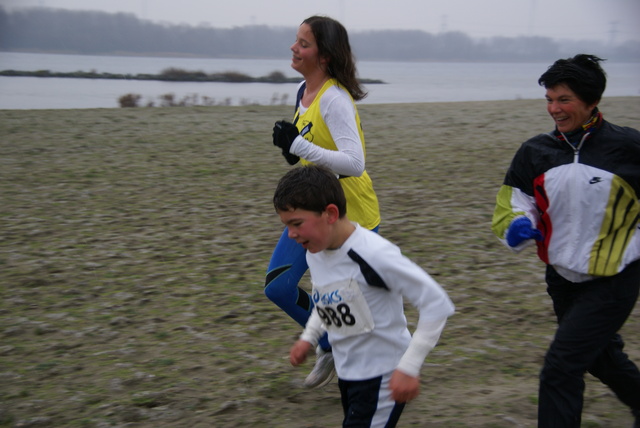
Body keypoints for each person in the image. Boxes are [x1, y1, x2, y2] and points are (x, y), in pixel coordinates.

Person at [491, 54, 640, 427]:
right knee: (599, 359)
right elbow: (514, 203)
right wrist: (518, 226)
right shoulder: (535, 151)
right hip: (562, 279)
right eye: (549, 99)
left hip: (615, 278)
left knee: (560, 367)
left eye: (564, 100)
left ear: (592, 101)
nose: (554, 109)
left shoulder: (629, 148)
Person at [273, 165, 454, 427]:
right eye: (286, 226)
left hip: (384, 377)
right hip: (348, 374)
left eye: (296, 224)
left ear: (331, 214)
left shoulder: (374, 254)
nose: (290, 234)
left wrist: (409, 366)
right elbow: (326, 300)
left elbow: (437, 304)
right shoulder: (315, 252)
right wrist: (309, 338)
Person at [265, 15, 381, 388]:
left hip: (347, 214)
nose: (294, 48)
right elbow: (316, 152)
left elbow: (354, 162)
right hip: (310, 207)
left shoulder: (334, 99)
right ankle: (331, 345)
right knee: (279, 287)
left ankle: (375, 368)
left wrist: (298, 144)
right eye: (296, 40)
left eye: (303, 43)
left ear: (325, 56)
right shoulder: (303, 91)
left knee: (340, 298)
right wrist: (292, 152)